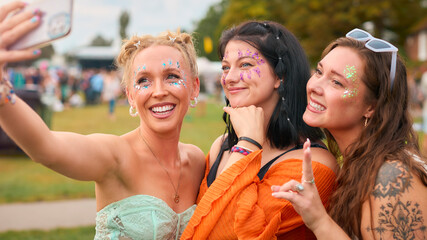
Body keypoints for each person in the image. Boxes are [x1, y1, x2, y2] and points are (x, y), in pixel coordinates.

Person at [0, 2, 205, 239]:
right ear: (130, 95)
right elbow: (46, 147)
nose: (158, 91)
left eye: (172, 76)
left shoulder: (197, 160)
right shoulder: (115, 156)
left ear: (194, 87)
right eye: (143, 81)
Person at [181, 20, 338, 239]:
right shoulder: (222, 146)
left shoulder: (312, 164)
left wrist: (247, 146)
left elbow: (224, 231)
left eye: (245, 65)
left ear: (279, 76)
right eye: (225, 67)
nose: (230, 78)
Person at [272, 28, 427, 239]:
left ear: (372, 106)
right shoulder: (361, 164)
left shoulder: (393, 177)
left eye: (336, 82)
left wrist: (319, 221)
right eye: (319, 72)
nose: (315, 86)